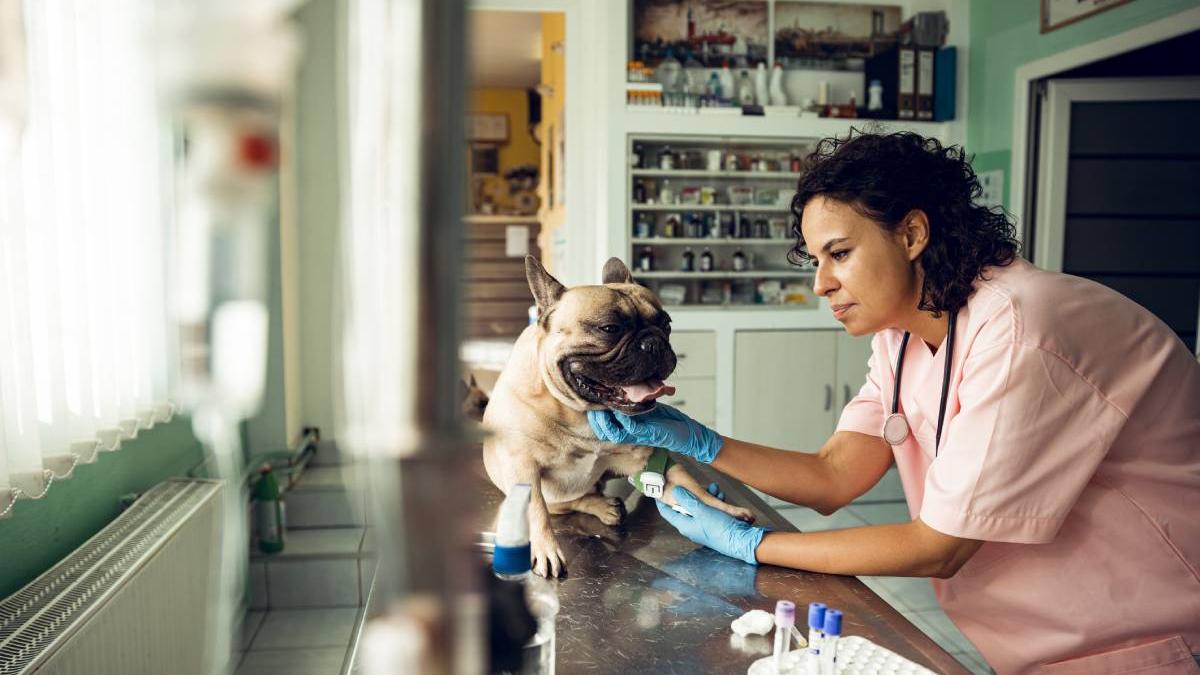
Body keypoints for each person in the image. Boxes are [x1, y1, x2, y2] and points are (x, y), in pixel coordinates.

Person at [589, 132, 1200, 673]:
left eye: (839, 254)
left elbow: (940, 546)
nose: (821, 283)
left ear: (911, 234)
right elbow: (834, 476)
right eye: (816, 260)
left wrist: (753, 545)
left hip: (1151, 638)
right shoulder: (903, 332)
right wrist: (696, 439)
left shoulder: (1022, 328)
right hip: (1042, 641)